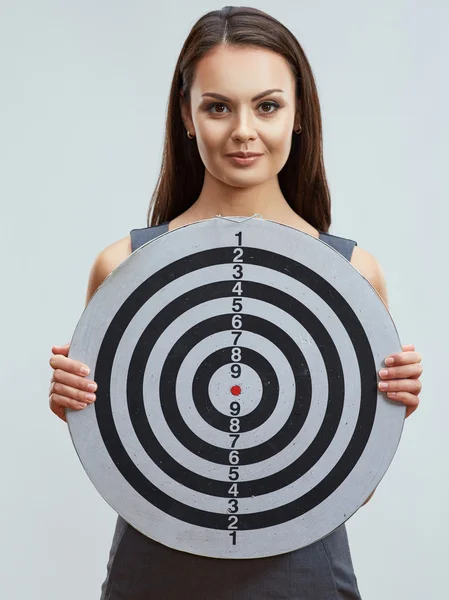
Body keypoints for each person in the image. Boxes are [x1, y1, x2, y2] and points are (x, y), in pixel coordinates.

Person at [48, 6, 423, 599]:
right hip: (153, 573)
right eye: (218, 106)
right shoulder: (122, 268)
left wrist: (382, 418)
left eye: (267, 105)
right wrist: (81, 410)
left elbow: (348, 493)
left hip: (303, 576)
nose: (243, 129)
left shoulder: (352, 274)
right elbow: (123, 461)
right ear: (187, 117)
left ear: (299, 116)